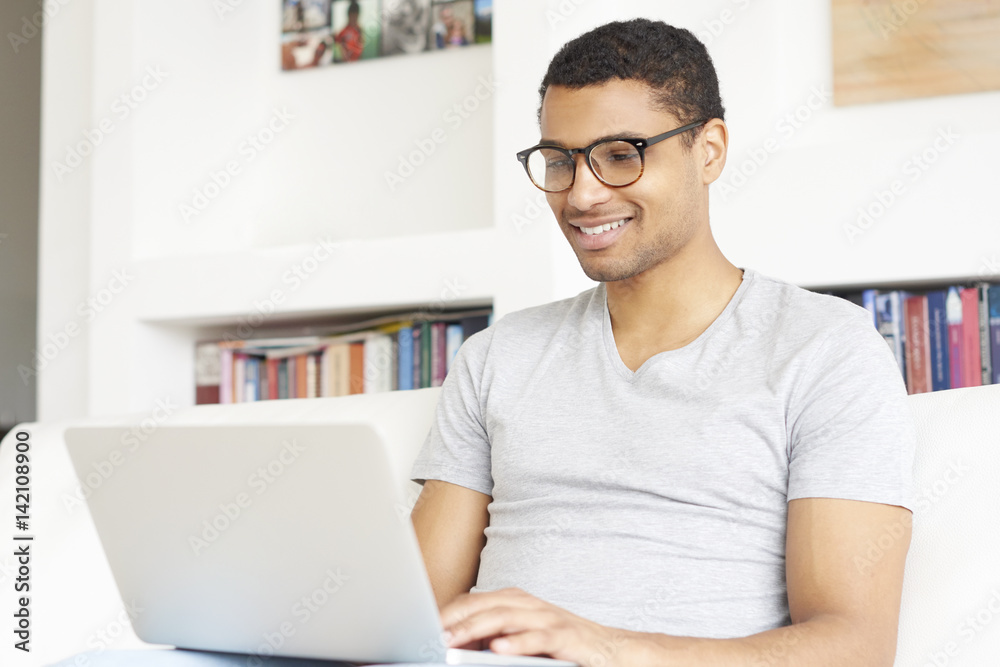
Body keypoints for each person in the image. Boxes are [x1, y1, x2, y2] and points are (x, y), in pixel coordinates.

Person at [409, 18, 916, 666]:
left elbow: (854, 646)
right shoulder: (497, 357)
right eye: (561, 160)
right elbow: (412, 614)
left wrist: (601, 644)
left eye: (622, 153)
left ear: (709, 150)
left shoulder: (825, 350)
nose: (583, 194)